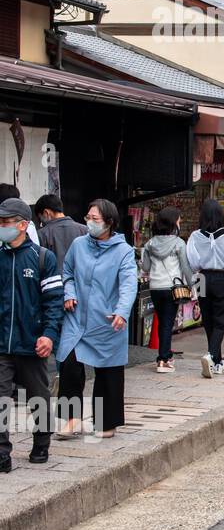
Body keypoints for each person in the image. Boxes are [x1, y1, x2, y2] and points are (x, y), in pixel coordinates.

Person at [56, 199, 136, 439]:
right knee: (69, 365)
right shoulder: (79, 245)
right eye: (88, 217)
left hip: (107, 320)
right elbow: (67, 272)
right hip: (77, 318)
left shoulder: (124, 251)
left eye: (95, 219)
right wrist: (68, 293)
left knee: (108, 371)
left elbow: (129, 284)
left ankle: (106, 423)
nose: (89, 222)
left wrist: (122, 311)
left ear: (109, 223)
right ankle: (73, 420)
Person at [0, 198, 61, 472]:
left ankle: (41, 443)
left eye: (6, 222)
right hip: (2, 344)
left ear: (23, 225)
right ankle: (2, 454)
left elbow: (54, 302)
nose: (2, 227)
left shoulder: (42, 258)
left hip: (33, 344)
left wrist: (48, 335)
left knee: (39, 399)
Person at [187, 198, 224, 376]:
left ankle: (218, 361)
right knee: (221, 320)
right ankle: (212, 355)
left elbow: (192, 262)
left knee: (208, 318)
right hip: (221, 277)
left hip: (202, 277)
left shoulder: (195, 236)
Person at [140, 206, 194, 374]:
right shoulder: (179, 243)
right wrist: (191, 286)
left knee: (162, 320)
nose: (180, 222)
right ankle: (163, 359)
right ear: (173, 222)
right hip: (173, 288)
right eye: (178, 219)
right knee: (167, 323)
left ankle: (165, 355)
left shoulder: (149, 244)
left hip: (155, 287)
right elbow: (185, 268)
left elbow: (146, 267)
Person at [34, 194, 86, 272]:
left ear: (46, 213)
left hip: (54, 281)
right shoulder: (84, 230)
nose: (41, 223)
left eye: (40, 219)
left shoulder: (42, 234)